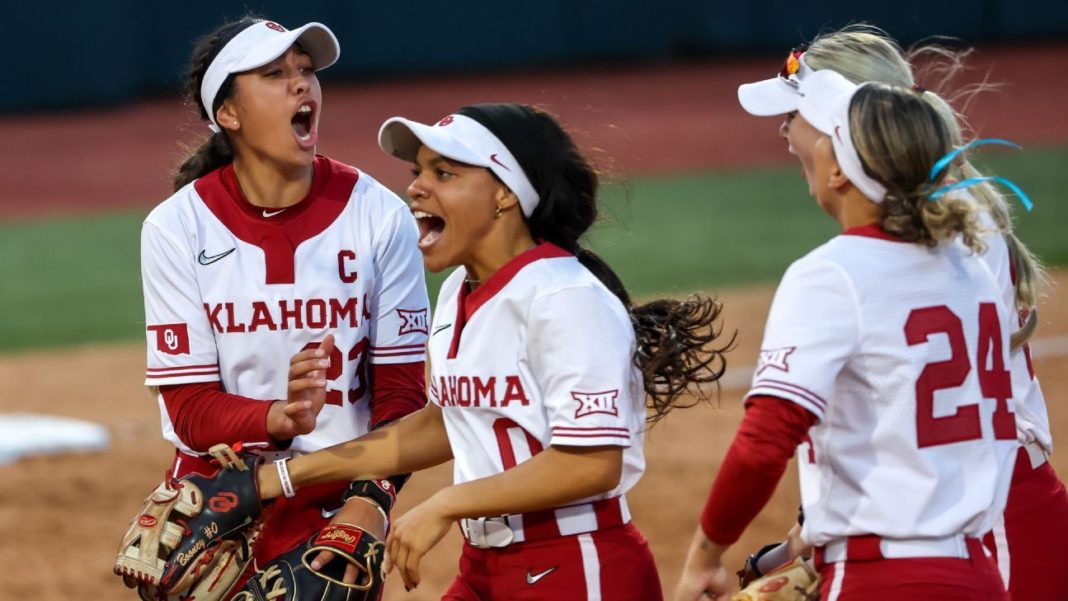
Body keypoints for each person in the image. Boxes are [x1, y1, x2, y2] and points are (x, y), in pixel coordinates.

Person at [252, 103, 732, 600]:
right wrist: (281, 478)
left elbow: (592, 463)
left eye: (444, 173)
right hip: (485, 568)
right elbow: (447, 423)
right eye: (418, 172)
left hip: (574, 567)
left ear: (504, 192)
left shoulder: (564, 297)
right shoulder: (460, 288)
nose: (416, 187)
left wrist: (446, 504)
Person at [722, 25, 1068, 599]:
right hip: (969, 514)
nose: (784, 129)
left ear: (849, 119)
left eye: (795, 112)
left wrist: (803, 542)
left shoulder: (945, 237)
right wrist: (805, 543)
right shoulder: (950, 216)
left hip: (987, 525)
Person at [139, 15, 428, 577]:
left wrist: (373, 501)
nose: (301, 83)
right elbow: (190, 411)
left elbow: (402, 394)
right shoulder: (177, 227)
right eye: (274, 74)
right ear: (229, 114)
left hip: (338, 509)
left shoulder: (379, 215)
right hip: (217, 509)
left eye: (305, 70)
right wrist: (280, 416)